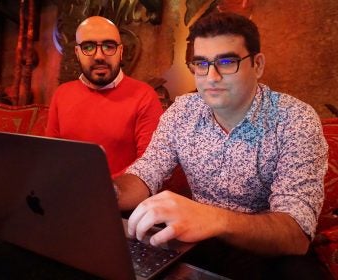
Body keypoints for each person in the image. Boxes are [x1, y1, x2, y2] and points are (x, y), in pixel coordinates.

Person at [114, 11, 329, 279]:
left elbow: (295, 235)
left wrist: (212, 219)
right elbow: (148, 172)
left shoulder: (294, 119)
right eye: (201, 64)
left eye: (226, 62)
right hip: (198, 241)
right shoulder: (182, 111)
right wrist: (109, 191)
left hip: (267, 249)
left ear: (258, 65)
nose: (211, 76)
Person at [46, 16, 163, 178]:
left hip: (120, 197)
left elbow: (150, 165)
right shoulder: (61, 94)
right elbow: (51, 155)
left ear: (121, 52)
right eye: (88, 47)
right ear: (77, 53)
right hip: (67, 193)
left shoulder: (145, 96)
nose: (99, 56)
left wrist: (101, 188)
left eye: (109, 46)